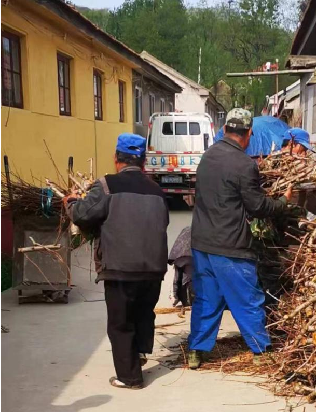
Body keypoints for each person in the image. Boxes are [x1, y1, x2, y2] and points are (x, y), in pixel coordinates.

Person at [189, 108, 293, 369]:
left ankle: (196, 352)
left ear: (225, 130)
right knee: (247, 298)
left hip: (202, 244)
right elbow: (258, 207)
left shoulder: (207, 157)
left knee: (206, 299)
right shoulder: (244, 164)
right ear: (248, 135)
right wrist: (282, 202)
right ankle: (261, 352)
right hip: (231, 246)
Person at [64, 133, 169, 390]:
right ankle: (140, 353)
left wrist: (71, 203)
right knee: (144, 312)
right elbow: (163, 222)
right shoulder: (157, 190)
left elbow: (83, 215)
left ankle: (129, 377)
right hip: (154, 268)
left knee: (120, 323)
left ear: (116, 158)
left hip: (121, 268)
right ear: (143, 161)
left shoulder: (106, 185)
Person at [168, 225, 194, 314]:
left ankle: (179, 298)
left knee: (181, 277)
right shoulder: (193, 230)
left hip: (180, 257)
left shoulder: (187, 230)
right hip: (191, 257)